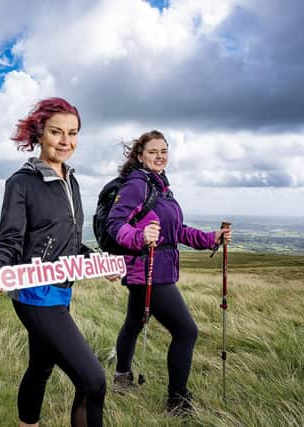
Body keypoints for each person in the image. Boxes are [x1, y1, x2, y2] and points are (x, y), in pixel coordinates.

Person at [0, 98, 107, 427]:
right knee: (92, 380)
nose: (66, 141)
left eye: (73, 133)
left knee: (40, 368)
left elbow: (69, 240)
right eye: (57, 132)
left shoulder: (73, 181)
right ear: (40, 133)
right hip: (33, 295)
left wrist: (97, 262)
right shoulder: (21, 183)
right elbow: (10, 240)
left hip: (62, 292)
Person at [106, 130, 232, 415]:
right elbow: (115, 224)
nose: (159, 156)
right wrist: (139, 237)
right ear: (140, 155)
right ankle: (178, 401)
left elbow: (178, 232)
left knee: (133, 324)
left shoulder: (161, 188)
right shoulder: (137, 185)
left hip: (156, 271)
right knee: (186, 332)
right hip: (147, 272)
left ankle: (122, 378)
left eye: (164, 150)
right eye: (152, 151)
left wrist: (211, 237)